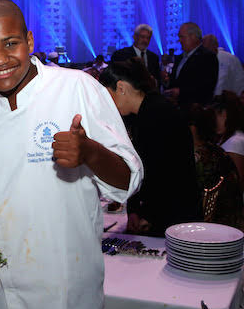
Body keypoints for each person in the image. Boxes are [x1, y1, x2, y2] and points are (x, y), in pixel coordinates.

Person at [0, 0, 143, 309]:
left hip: (66, 305)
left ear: (29, 41)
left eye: (10, 43)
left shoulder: (76, 88)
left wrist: (90, 152)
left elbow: (129, 181)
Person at [100, 58, 200, 236]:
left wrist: (148, 214)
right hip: (162, 210)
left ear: (121, 88)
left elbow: (163, 173)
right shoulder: (143, 112)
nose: (107, 104)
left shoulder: (158, 113)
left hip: (174, 215)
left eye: (107, 96)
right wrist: (134, 210)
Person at [187, 104, 243, 230]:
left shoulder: (200, 157)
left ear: (192, 128)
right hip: (230, 225)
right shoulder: (216, 152)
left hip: (216, 227)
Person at [163, 22, 219, 108]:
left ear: (193, 37)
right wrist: (167, 81)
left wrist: (181, 92)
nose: (179, 40)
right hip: (177, 109)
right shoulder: (180, 58)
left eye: (182, 37)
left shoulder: (207, 57)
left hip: (195, 110)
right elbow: (176, 82)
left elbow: (206, 87)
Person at [213, 90, 244, 192]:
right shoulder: (226, 139)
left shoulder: (235, 141)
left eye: (218, 114)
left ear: (227, 114)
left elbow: (236, 184)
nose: (215, 120)